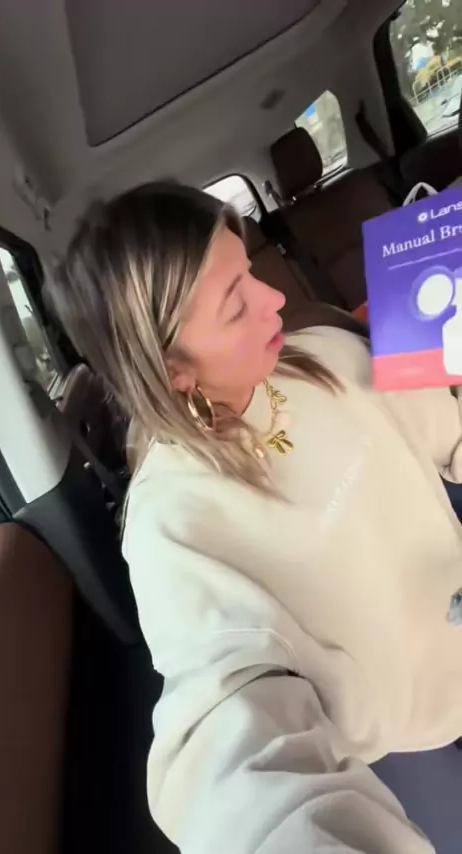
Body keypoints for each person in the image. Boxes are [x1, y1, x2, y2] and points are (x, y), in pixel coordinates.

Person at [48, 182, 462, 854]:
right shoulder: (170, 526)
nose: (273, 298)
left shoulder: (324, 354)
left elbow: (449, 437)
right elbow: (226, 725)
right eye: (236, 303)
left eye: (249, 272)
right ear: (172, 369)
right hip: (406, 743)